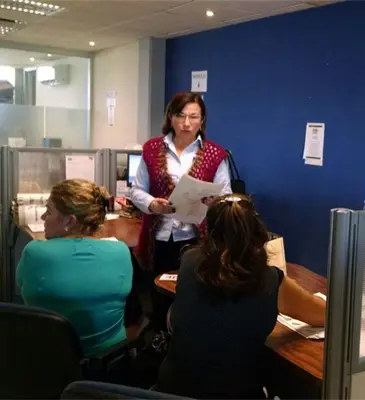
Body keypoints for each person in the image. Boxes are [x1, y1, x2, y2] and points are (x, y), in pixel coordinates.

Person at [156, 195, 326, 400]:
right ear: (257, 232)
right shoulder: (269, 279)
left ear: (209, 231)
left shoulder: (189, 260)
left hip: (170, 391)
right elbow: (323, 315)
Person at [131, 91, 231, 328]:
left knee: (191, 298)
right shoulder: (152, 149)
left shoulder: (215, 154)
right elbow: (136, 190)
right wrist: (153, 204)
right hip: (158, 238)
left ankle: (184, 339)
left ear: (202, 120)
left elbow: (225, 195)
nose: (186, 123)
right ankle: (159, 339)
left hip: (196, 239)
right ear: (171, 117)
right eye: (181, 116)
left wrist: (215, 202)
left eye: (193, 117)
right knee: (158, 295)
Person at [16, 179, 132, 357]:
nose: (43, 217)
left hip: (49, 360)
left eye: (49, 211)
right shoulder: (121, 251)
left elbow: (22, 287)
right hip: (110, 360)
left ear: (70, 221)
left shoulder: (34, 253)